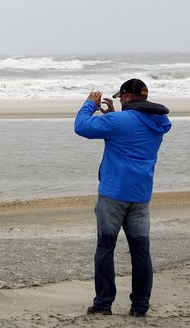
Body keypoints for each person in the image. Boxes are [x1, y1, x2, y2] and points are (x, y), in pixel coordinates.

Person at [74, 78, 172, 317]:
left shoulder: (119, 122)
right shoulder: (159, 122)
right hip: (140, 195)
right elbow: (131, 129)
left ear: (127, 97)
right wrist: (114, 116)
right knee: (140, 251)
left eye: (121, 97)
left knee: (106, 247)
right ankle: (140, 306)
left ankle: (103, 303)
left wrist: (90, 104)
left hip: (114, 194)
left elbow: (82, 126)